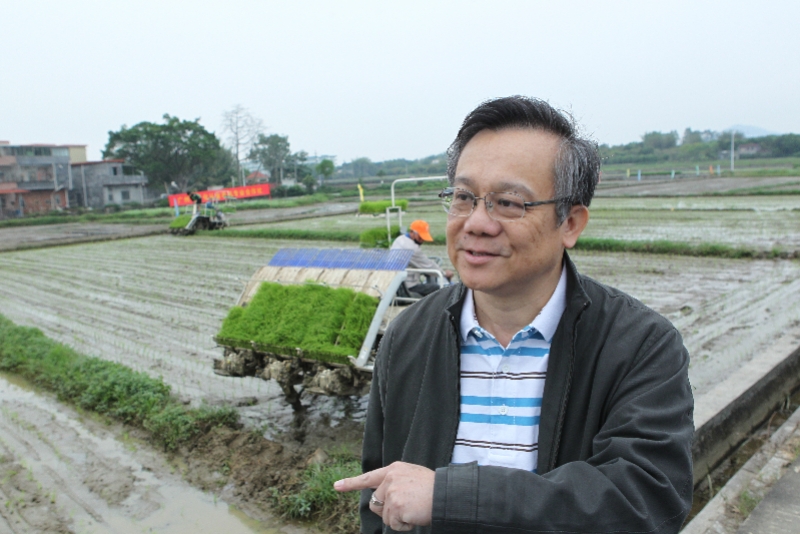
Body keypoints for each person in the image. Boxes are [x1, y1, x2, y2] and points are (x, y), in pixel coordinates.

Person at [334, 96, 694, 533]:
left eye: (508, 203)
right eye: (464, 197)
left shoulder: (638, 345)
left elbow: (646, 500)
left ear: (571, 223)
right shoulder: (408, 336)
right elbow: (380, 500)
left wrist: (449, 496)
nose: (476, 222)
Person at [390, 219, 454, 297]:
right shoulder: (412, 248)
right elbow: (428, 266)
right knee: (439, 289)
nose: (422, 240)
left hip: (396, 284)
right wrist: (444, 273)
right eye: (420, 237)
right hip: (408, 287)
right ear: (412, 233)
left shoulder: (400, 239)